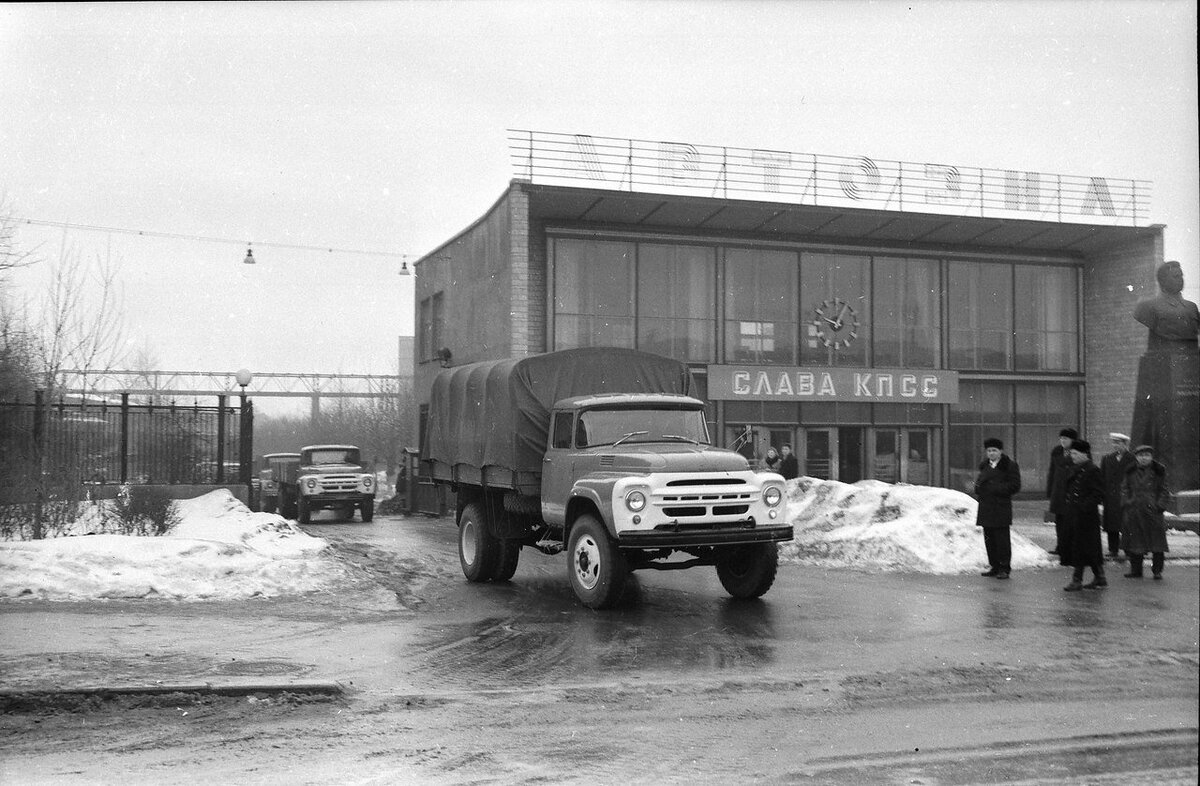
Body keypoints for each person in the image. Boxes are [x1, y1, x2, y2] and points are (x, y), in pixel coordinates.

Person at [1061, 439, 1107, 591]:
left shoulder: (1092, 470)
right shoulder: (1075, 468)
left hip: (1086, 516)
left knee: (1081, 547)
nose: (1072, 456)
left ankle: (1077, 580)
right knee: (1087, 547)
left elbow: (1098, 493)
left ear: (1084, 454)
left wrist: (1084, 506)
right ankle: (1100, 577)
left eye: (1075, 453)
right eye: (1071, 453)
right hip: (1074, 514)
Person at [1120, 444, 1171, 580]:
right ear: (1136, 457)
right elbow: (1124, 488)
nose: (1144, 458)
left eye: (1147, 455)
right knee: (1135, 544)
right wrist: (1127, 502)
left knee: (1157, 545)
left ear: (1151, 457)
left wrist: (1159, 506)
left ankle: (1157, 571)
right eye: (1141, 455)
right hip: (1135, 510)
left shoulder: (1158, 471)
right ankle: (1136, 570)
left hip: (1152, 512)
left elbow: (1164, 490)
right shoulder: (1130, 471)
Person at [973, 437, 1021, 580]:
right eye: (989, 451)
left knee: (1002, 540)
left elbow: (1015, 485)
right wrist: (978, 488)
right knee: (989, 539)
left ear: (1001, 451)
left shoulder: (1009, 466)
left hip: (1000, 507)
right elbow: (980, 483)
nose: (991, 453)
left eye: (994, 450)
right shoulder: (985, 466)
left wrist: (995, 488)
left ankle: (1004, 568)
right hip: (986, 507)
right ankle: (994, 566)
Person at [1099, 433, 1136, 563]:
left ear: (1125, 444)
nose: (1115, 445)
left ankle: (1128, 549)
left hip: (1126, 497)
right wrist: (1102, 496)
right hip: (1110, 497)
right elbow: (1102, 478)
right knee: (1111, 525)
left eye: (1118, 443)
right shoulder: (1107, 459)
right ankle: (1112, 549)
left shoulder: (1133, 459)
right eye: (1114, 443)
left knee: (1126, 524)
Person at [1046, 427, 1078, 562]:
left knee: (1071, 522)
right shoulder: (1057, 451)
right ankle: (1061, 546)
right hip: (1058, 491)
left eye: (1065, 438)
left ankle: (1071, 548)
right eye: (1061, 438)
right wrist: (1050, 490)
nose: (1062, 441)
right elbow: (1052, 471)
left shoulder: (1079, 452)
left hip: (1071, 492)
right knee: (1059, 521)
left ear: (1072, 440)